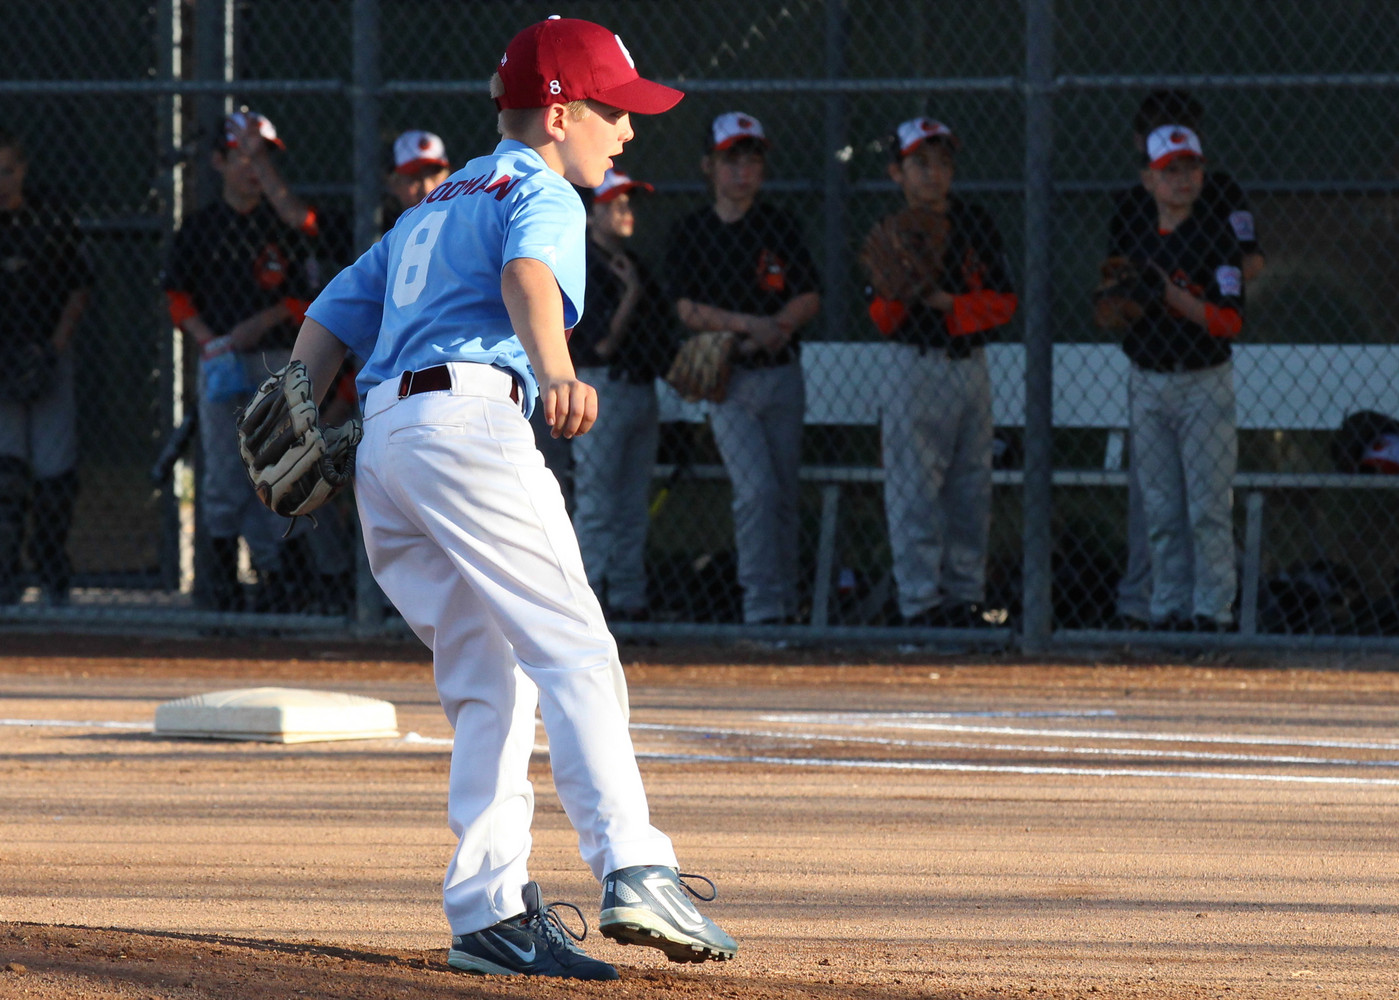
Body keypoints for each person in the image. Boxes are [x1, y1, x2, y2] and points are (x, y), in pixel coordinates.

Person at [284, 17, 735, 980]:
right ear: (559, 113)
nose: (627, 130)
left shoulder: (437, 200)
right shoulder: (541, 188)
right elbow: (526, 271)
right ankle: (635, 865)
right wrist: (558, 369)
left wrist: (293, 403)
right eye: (613, 109)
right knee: (572, 645)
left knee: (489, 680)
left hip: (386, 449)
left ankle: (487, 909)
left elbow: (334, 310)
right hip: (467, 426)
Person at [1112, 90, 1264, 629]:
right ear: (1149, 179)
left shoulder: (1215, 237)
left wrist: (1172, 298)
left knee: (1207, 507)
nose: (1182, 180)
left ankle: (1212, 612)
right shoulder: (1135, 231)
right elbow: (1113, 301)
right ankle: (1168, 610)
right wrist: (1122, 302)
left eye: (1190, 169)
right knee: (1160, 509)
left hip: (1203, 381)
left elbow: (1229, 321)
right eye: (1170, 171)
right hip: (1149, 378)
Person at [860, 118, 1018, 628]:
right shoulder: (888, 230)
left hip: (971, 365)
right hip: (914, 365)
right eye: (920, 163)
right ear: (897, 172)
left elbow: (1005, 304)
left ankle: (964, 598)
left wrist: (943, 299)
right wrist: (904, 289)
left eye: (943, 162)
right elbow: (883, 319)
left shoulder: (976, 223)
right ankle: (920, 602)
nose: (934, 173)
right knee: (915, 490)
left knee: (971, 489)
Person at [665, 112, 821, 625]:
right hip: (727, 382)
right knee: (756, 491)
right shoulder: (693, 231)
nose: (742, 170)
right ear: (709, 166)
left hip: (781, 371)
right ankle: (762, 608)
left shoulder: (780, 225)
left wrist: (779, 325)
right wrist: (748, 325)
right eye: (731, 159)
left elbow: (809, 295)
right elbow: (685, 308)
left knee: (783, 496)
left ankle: (788, 604)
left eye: (752, 159)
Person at [163, 110, 320, 612]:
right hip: (221, 361)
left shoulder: (285, 222)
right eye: (242, 157)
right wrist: (210, 338)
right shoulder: (200, 227)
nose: (253, 167)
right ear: (218, 161)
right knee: (223, 477)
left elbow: (308, 295)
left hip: (277, 359)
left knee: (281, 467)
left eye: (263, 157)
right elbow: (176, 297)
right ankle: (221, 587)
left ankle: (284, 582)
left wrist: (265, 318)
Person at [570, 169, 672, 622]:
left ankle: (630, 599)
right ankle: (586, 602)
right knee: (597, 504)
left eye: (628, 203)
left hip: (640, 390)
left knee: (633, 505)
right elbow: (600, 346)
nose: (625, 211)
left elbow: (658, 338)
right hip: (600, 389)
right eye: (614, 203)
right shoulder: (580, 265)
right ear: (592, 214)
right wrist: (629, 296)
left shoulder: (636, 265)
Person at [0, 128, 93, 606]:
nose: (1, 182)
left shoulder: (50, 216)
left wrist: (54, 347)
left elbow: (80, 285)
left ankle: (52, 568)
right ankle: (6, 576)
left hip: (48, 351)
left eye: (7, 170)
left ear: (23, 169)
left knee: (55, 474)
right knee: (7, 473)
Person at [383, 128, 452, 228]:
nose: (427, 190)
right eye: (414, 177)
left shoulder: (467, 225)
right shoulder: (386, 235)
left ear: (449, 176)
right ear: (393, 183)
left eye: (434, 176)